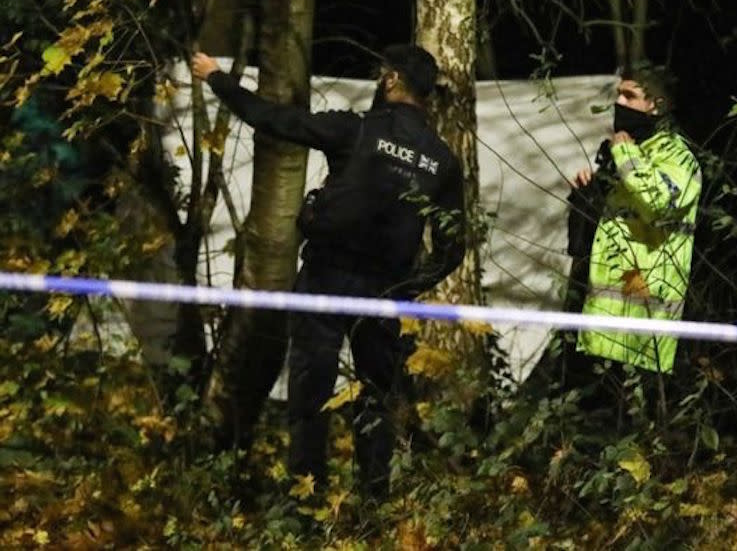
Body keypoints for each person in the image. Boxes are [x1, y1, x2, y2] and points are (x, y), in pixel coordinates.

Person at [191, 45, 465, 500]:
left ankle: (307, 502)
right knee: (376, 399)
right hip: (382, 293)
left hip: (325, 279)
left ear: (393, 80)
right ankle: (373, 506)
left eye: (383, 75)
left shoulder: (355, 131)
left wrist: (217, 77)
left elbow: (274, 118)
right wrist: (405, 290)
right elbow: (453, 247)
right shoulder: (442, 162)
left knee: (309, 397)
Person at [524, 65, 701, 419]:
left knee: (629, 420)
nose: (619, 103)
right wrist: (588, 195)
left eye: (630, 96)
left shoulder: (676, 156)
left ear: (657, 105)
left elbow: (658, 202)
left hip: (640, 315)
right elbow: (598, 231)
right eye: (618, 94)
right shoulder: (622, 153)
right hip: (598, 308)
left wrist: (625, 156)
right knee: (582, 416)